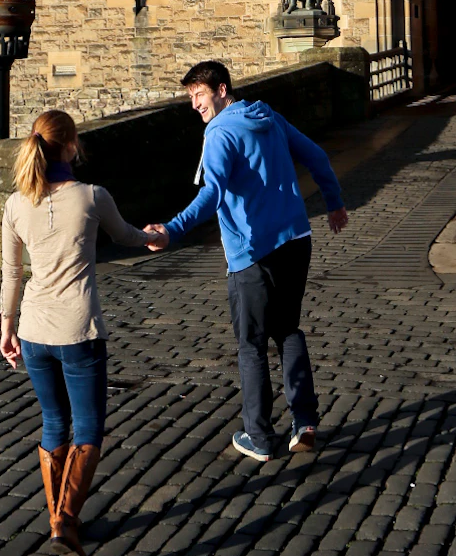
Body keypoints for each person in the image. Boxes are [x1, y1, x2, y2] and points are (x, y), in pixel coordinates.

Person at [145, 61, 348, 462]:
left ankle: (258, 435)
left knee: (252, 344)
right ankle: (304, 421)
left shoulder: (219, 132)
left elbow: (213, 194)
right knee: (288, 329)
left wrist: (174, 229)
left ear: (222, 90)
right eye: (190, 97)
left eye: (199, 95)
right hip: (296, 239)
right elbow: (318, 156)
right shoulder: (268, 116)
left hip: (253, 253)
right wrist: (334, 203)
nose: (194, 104)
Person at [0, 109, 156, 556]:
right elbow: (126, 236)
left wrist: (6, 328)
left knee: (53, 423)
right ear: (71, 147)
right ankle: (65, 521)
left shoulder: (14, 204)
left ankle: (57, 519)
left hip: (33, 333)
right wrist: (155, 237)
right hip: (78, 331)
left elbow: (12, 273)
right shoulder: (91, 196)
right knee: (87, 427)